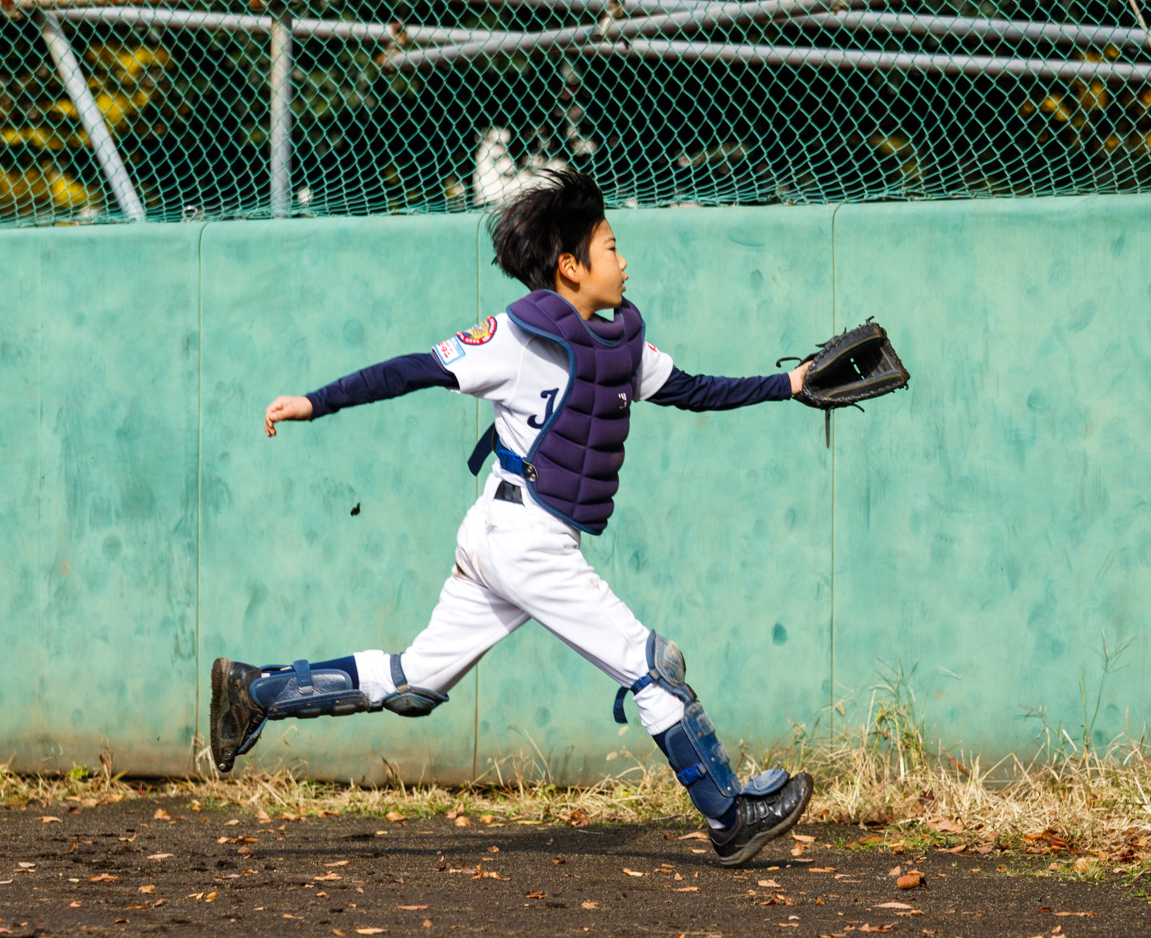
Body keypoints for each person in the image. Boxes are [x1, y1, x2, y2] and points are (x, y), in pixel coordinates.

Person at [211, 170, 814, 866]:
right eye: (610, 247)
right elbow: (413, 368)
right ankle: (730, 817)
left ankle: (255, 691)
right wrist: (315, 401)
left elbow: (695, 389)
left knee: (415, 683)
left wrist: (790, 384)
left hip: (507, 536)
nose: (624, 261)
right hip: (524, 541)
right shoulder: (516, 336)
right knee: (653, 667)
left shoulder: (617, 341)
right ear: (570, 266)